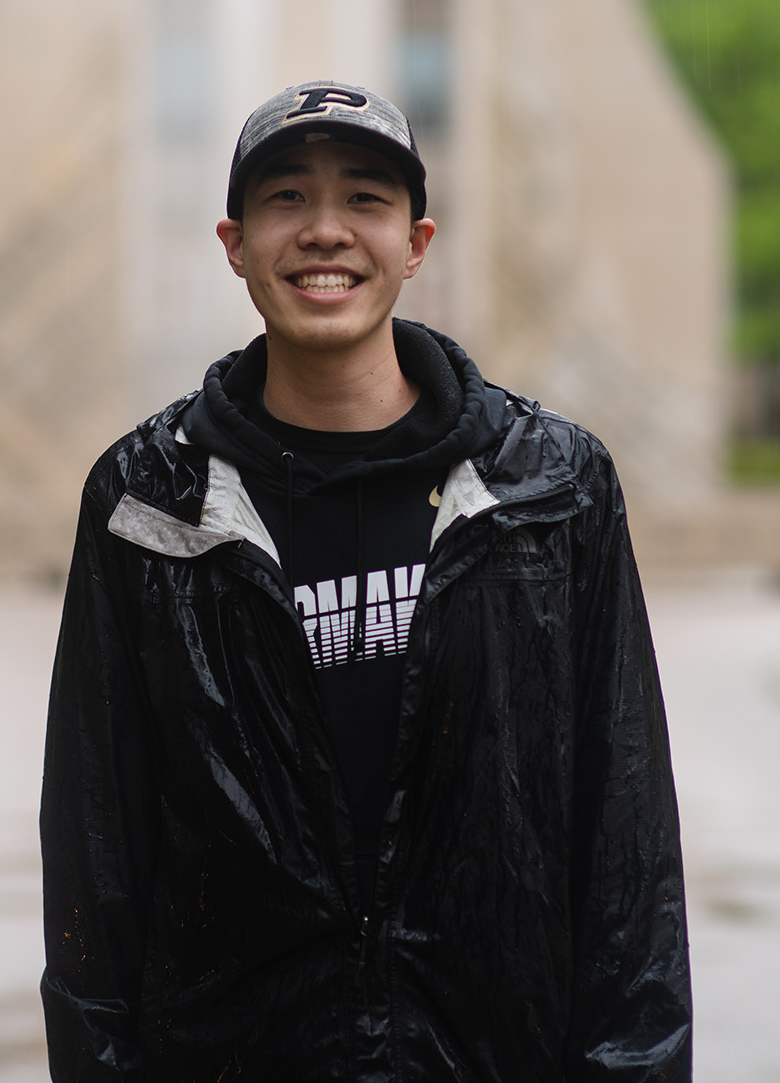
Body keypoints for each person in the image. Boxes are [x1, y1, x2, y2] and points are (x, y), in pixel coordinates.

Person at [39, 79, 691, 1081]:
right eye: (287, 198)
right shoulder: (144, 501)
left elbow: (623, 838)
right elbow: (95, 851)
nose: (324, 231)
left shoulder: (548, 488)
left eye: (365, 199)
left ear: (416, 242)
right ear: (233, 242)